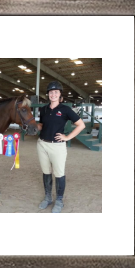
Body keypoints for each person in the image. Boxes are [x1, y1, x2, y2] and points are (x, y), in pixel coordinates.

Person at [37, 81, 86, 213]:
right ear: (48, 94)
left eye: (56, 92)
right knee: (46, 172)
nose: (53, 94)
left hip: (57, 146)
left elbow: (81, 125)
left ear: (59, 95)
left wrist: (67, 137)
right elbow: (41, 125)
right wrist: (30, 125)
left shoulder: (65, 110)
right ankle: (48, 197)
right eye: (51, 92)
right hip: (42, 144)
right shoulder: (44, 109)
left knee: (59, 174)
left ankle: (59, 200)